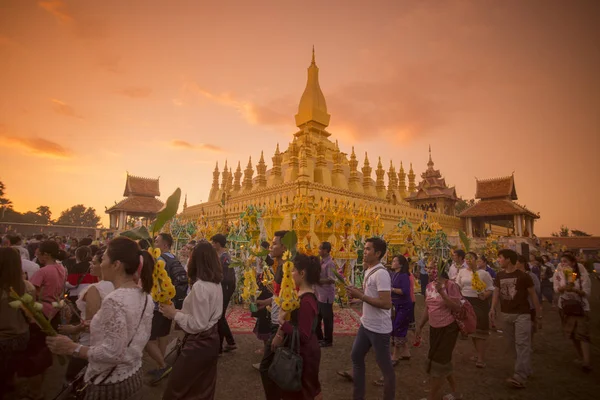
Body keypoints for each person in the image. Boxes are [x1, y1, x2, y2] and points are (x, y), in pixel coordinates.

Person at [46, 236, 154, 400]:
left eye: (103, 259)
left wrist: (72, 347)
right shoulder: (145, 296)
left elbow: (112, 353)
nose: (100, 264)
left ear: (116, 265)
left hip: (109, 382)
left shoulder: (115, 300)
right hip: (132, 373)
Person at [160, 241, 224, 399]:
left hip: (199, 343)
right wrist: (179, 311)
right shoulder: (216, 284)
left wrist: (174, 314)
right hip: (211, 340)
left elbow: (198, 324)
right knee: (201, 387)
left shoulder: (201, 286)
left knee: (179, 389)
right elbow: (202, 315)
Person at [345, 237, 394, 400]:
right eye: (364, 248)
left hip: (379, 328)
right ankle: (358, 396)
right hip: (366, 324)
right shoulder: (368, 270)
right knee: (356, 356)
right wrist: (356, 293)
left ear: (378, 253)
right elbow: (370, 295)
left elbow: (386, 304)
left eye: (368, 249)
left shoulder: (381, 274)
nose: (364, 252)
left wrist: (361, 296)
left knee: (385, 367)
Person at [270, 253, 322, 399]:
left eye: (293, 271)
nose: (290, 275)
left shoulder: (306, 301)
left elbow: (303, 335)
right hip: (301, 349)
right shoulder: (300, 294)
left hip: (305, 353)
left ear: (302, 273)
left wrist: (282, 322)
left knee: (302, 390)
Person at [59, 249, 115, 383]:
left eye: (94, 263)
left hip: (90, 344)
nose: (90, 265)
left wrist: (72, 330)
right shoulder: (117, 286)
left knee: (74, 381)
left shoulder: (96, 289)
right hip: (108, 342)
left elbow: (91, 324)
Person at [490, 249, 542, 389]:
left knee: (522, 344)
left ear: (508, 259)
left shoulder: (524, 276)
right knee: (512, 345)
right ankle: (526, 369)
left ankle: (520, 375)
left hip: (522, 314)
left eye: (500, 258)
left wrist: (538, 314)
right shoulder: (499, 275)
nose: (498, 260)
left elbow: (533, 295)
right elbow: (496, 292)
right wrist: (492, 308)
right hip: (506, 314)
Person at [416, 260, 462, 400]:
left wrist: (442, 292)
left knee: (438, 363)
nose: (429, 271)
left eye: (432, 268)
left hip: (448, 328)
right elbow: (428, 307)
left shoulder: (451, 285)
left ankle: (431, 397)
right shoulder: (429, 286)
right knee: (443, 362)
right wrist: (420, 325)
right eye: (428, 268)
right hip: (434, 327)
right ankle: (456, 392)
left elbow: (456, 307)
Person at [146, 233, 185, 384]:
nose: (154, 244)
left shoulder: (160, 259)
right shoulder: (173, 258)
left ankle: (162, 365)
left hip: (158, 305)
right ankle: (160, 366)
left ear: (165, 245)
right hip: (169, 303)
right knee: (162, 335)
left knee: (148, 338)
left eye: (156, 241)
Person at [257, 230, 289, 398]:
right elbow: (280, 296)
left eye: (274, 243)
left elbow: (291, 302)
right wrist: (266, 302)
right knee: (276, 366)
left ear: (284, 247)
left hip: (280, 325)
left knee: (268, 367)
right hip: (277, 322)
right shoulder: (281, 266)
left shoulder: (288, 268)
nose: (271, 246)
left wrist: (280, 332)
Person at [0, 247, 34, 398]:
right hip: (21, 337)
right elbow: (32, 316)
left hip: (2, 339)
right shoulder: (27, 287)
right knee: (11, 375)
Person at [553, 253, 592, 372]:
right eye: (562, 261)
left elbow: (586, 292)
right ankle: (581, 356)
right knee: (572, 334)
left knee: (582, 334)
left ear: (573, 263)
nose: (563, 264)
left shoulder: (581, 275)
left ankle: (586, 361)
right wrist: (563, 288)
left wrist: (574, 289)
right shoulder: (559, 274)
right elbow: (556, 289)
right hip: (565, 306)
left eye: (565, 261)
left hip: (580, 307)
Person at [456, 252, 494, 368]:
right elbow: (458, 286)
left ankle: (481, 358)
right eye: (466, 258)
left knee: (480, 331)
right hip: (466, 301)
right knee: (472, 330)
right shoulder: (462, 272)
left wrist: (485, 295)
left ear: (476, 259)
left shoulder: (483, 273)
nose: (468, 260)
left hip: (479, 302)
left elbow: (490, 288)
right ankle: (478, 354)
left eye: (471, 258)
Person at [211, 233, 237, 354]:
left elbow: (228, 278)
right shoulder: (219, 256)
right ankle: (229, 342)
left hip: (225, 289)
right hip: (220, 289)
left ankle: (221, 346)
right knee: (219, 316)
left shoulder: (225, 257)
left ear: (217, 244)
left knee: (219, 317)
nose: (212, 245)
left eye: (213, 243)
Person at [390, 255, 412, 364]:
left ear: (400, 264)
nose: (392, 262)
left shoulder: (403, 275)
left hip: (404, 305)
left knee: (398, 327)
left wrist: (392, 289)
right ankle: (406, 352)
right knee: (398, 327)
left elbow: (405, 291)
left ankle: (395, 355)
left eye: (394, 261)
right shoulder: (394, 274)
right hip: (396, 304)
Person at [315, 241, 336, 348]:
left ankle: (328, 341)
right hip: (319, 294)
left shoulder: (330, 263)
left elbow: (331, 279)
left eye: (320, 248)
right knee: (317, 318)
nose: (318, 250)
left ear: (326, 250)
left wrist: (317, 280)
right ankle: (319, 338)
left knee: (327, 320)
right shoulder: (321, 261)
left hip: (326, 295)